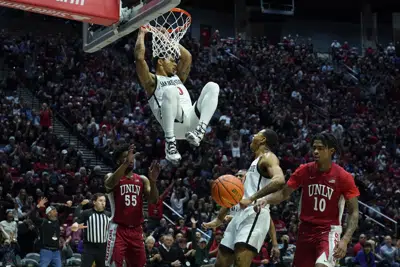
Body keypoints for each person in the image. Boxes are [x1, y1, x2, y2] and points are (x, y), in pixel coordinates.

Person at [256, 132, 360, 267]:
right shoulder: (304, 170)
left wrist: (345, 240)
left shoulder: (343, 177)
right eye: (314, 148)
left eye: (320, 148)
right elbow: (283, 194)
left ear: (331, 151)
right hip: (305, 230)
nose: (316, 151)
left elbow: (354, 212)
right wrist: (266, 199)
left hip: (328, 231)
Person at [134, 27, 220, 164]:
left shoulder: (177, 77)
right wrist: (142, 33)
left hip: (190, 121)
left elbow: (187, 57)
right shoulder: (152, 81)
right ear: (160, 62)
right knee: (170, 90)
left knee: (213, 86)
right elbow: (139, 59)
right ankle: (170, 145)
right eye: (171, 60)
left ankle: (200, 132)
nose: (175, 63)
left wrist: (168, 39)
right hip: (174, 126)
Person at [203, 129, 284, 267]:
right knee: (220, 263)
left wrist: (251, 198)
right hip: (240, 215)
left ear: (263, 140)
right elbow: (234, 196)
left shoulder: (268, 157)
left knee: (241, 263)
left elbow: (279, 180)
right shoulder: (253, 163)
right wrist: (219, 219)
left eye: (256, 135)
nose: (253, 137)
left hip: (255, 213)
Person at [104, 144, 161, 267]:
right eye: (126, 158)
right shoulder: (111, 177)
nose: (131, 160)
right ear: (120, 161)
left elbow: (154, 200)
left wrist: (153, 181)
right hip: (118, 228)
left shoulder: (142, 179)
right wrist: (125, 164)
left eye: (132, 158)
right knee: (113, 264)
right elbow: (109, 185)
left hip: (136, 230)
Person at [71, 194, 111, 267]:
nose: (103, 203)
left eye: (104, 201)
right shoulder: (87, 213)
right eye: (100, 200)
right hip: (89, 248)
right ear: (94, 202)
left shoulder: (109, 215)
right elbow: (76, 224)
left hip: (103, 249)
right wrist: (74, 226)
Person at [31, 197, 73, 267]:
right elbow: (32, 217)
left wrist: (68, 207)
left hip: (56, 251)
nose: (56, 212)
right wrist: (38, 206)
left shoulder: (58, 221)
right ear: (49, 213)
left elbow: (66, 214)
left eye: (56, 210)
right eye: (54, 211)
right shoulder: (43, 221)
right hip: (46, 250)